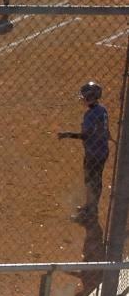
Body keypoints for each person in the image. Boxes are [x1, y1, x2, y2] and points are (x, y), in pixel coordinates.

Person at [58, 81, 109, 225]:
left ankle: (91, 213)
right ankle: (90, 207)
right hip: (101, 151)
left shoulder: (90, 114)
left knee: (92, 182)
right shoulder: (102, 109)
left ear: (90, 97)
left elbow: (86, 135)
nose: (82, 98)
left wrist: (68, 134)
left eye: (84, 96)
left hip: (94, 153)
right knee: (93, 181)